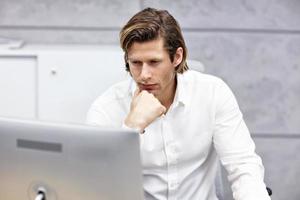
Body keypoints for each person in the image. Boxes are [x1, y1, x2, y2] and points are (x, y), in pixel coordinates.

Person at [86, 7, 270, 200]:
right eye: (136, 63)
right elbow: (96, 185)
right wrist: (131, 128)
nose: (144, 75)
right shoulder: (107, 108)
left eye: (154, 62)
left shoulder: (212, 93)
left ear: (177, 57)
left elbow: (243, 165)